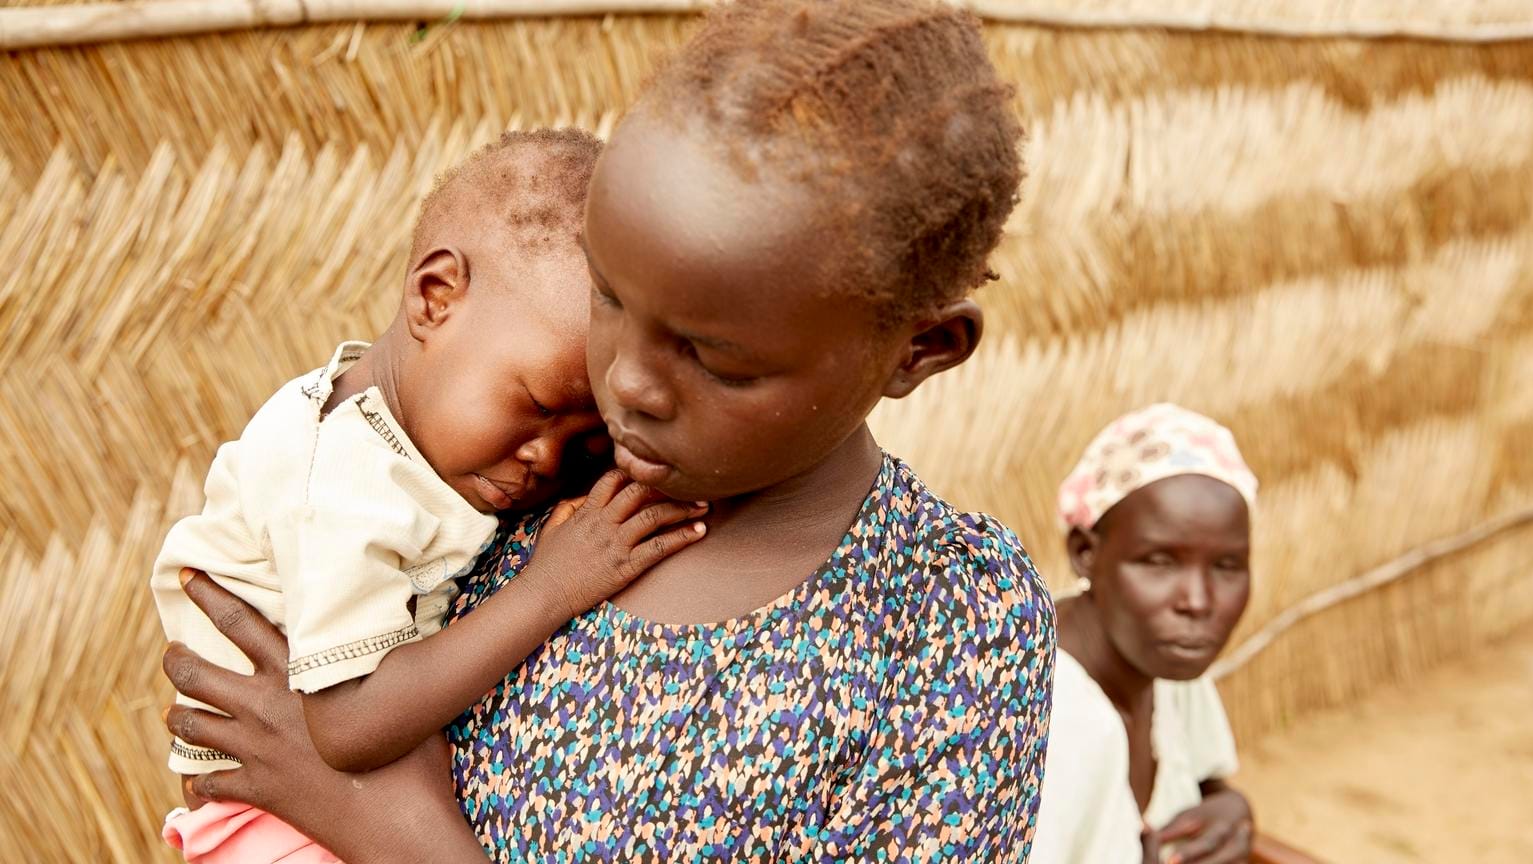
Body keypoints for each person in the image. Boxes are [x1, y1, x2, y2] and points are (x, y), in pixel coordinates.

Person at [159, 0, 1057, 861]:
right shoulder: (518, 467)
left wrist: (384, 826)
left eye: (717, 360)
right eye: (609, 297)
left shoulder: (947, 624)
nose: (624, 381)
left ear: (921, 349)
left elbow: (343, 758)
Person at [151, 130, 709, 863]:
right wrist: (553, 585)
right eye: (538, 403)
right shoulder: (344, 481)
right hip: (276, 830)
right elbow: (348, 728)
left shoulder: (403, 441)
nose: (548, 457)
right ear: (435, 297)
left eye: (589, 442)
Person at [1030, 404, 1258, 864]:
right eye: (1159, 561)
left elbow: (1208, 788)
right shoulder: (1038, 710)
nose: (1197, 601)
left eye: (1227, 566)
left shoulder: (1171, 669)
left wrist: (1233, 809)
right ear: (1085, 553)